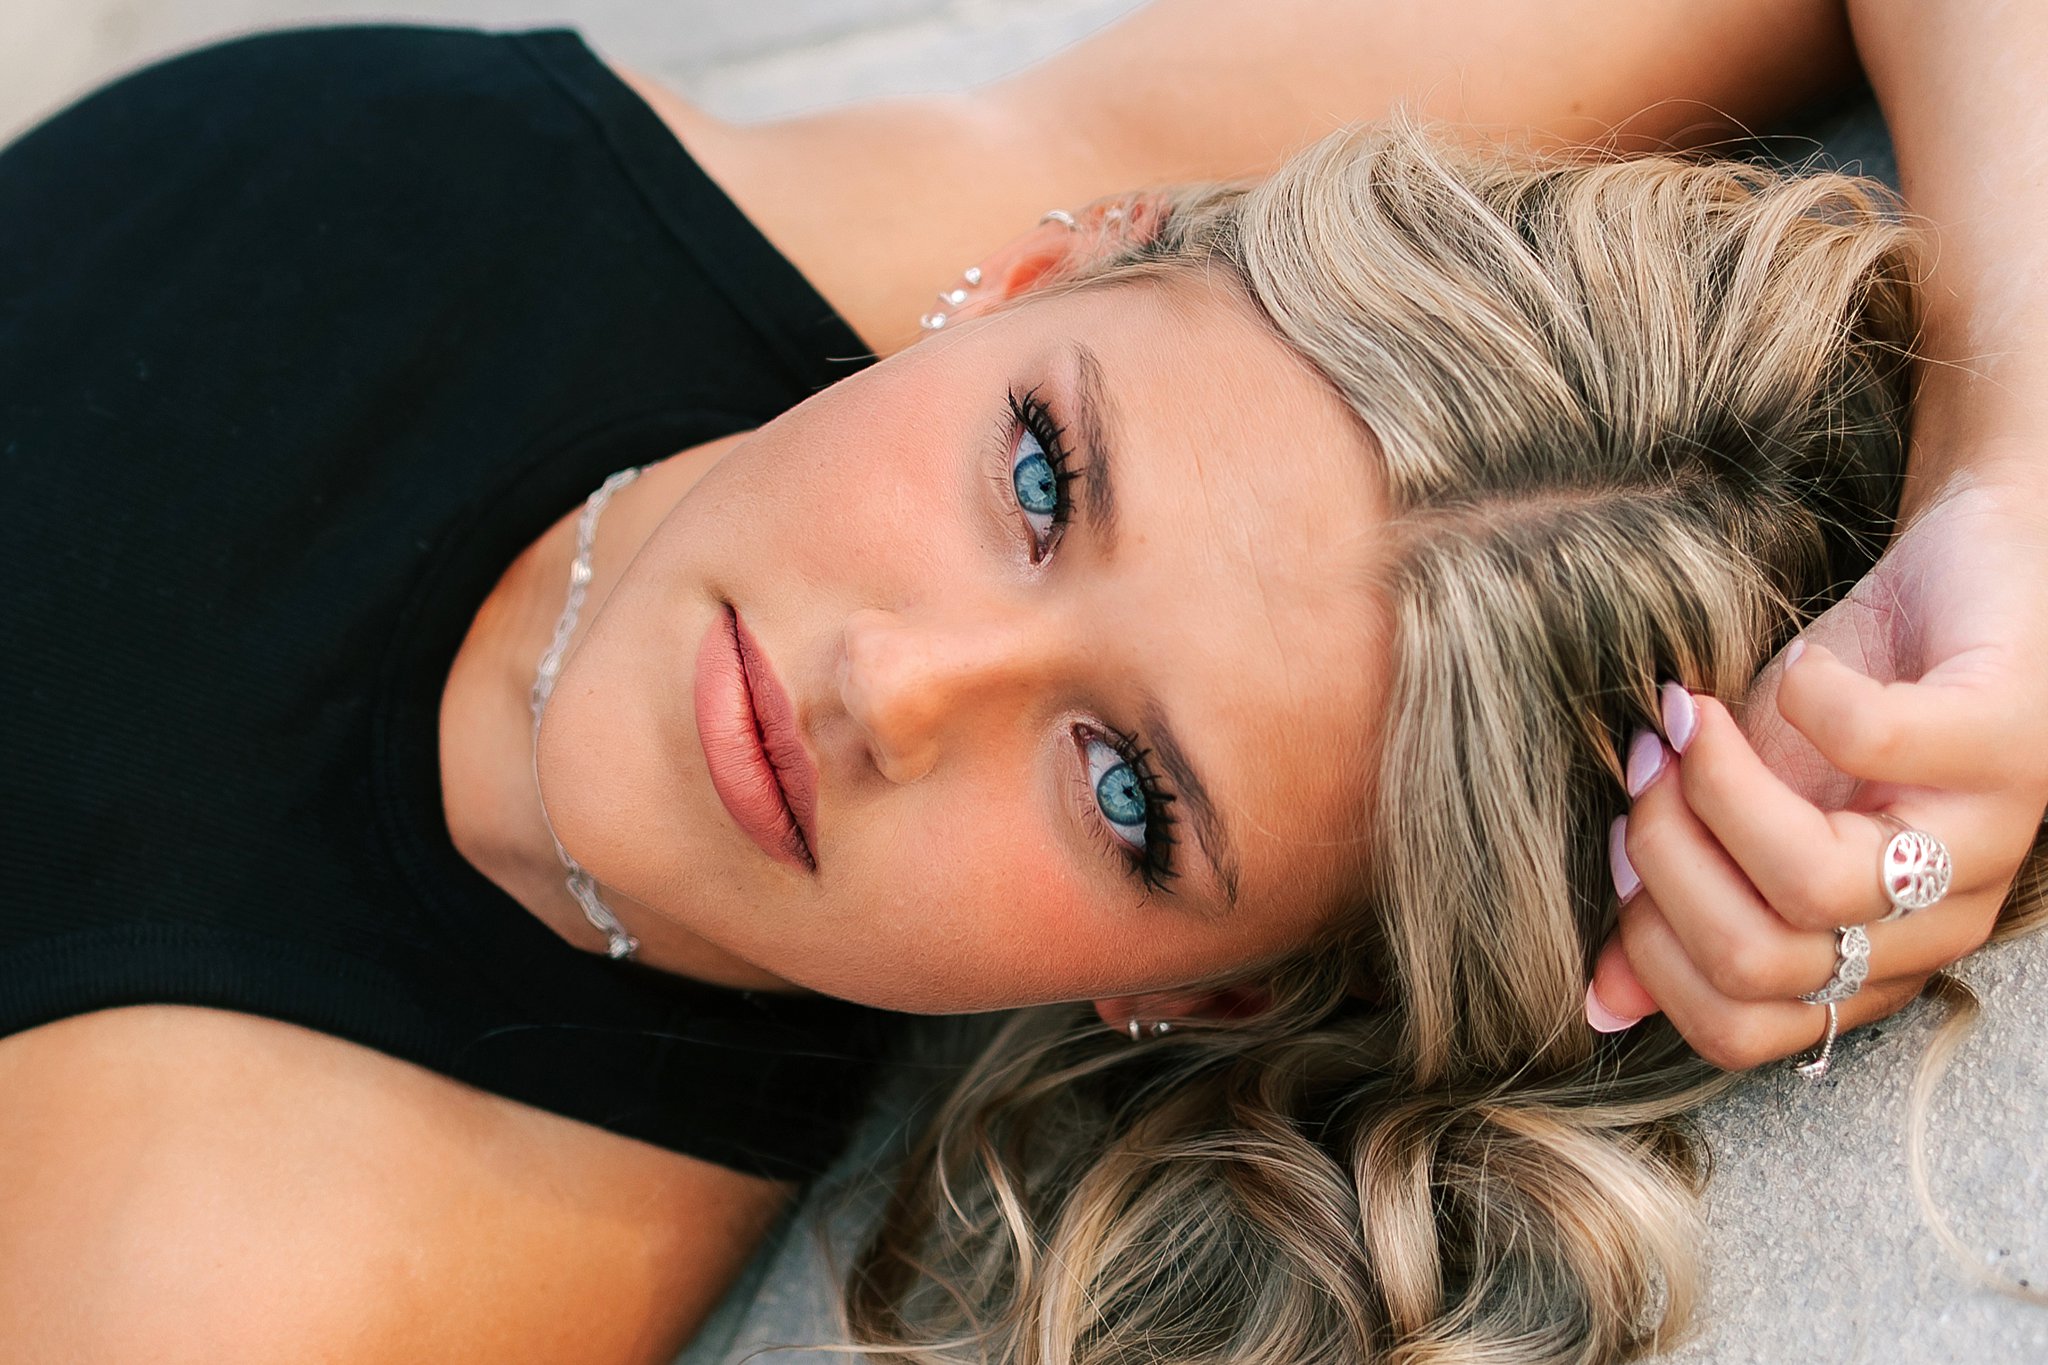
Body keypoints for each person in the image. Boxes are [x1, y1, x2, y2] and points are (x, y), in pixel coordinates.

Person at [0, 4, 2042, 1364]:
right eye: (1043, 475)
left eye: (1128, 790)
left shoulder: (277, 1284)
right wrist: (2014, 487)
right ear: (1057, 263)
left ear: (1207, 988)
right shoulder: (957, 203)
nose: (892, 684)